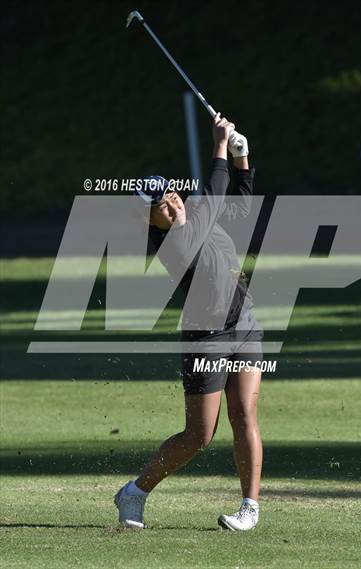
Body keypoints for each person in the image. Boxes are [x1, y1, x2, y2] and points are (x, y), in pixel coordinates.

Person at [114, 113, 264, 531]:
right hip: (206, 339)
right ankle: (135, 491)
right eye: (161, 204)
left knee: (246, 416)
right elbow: (215, 193)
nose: (173, 201)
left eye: (172, 193)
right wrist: (219, 144)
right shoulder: (174, 242)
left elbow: (236, 206)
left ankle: (249, 507)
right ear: (149, 221)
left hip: (244, 325)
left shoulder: (196, 211)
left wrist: (242, 159)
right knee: (199, 436)